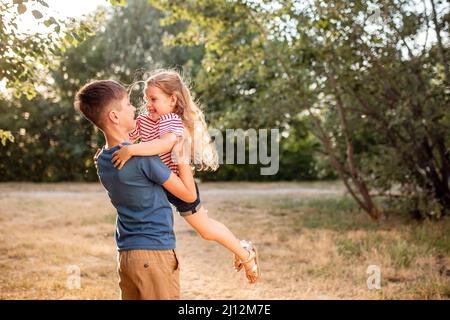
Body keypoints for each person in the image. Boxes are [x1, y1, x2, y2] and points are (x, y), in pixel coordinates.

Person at [110, 69, 260, 283]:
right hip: (160, 183)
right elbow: (123, 136)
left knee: (206, 230)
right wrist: (108, 149)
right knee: (201, 226)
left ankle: (245, 252)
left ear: (172, 100)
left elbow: (164, 143)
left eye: (154, 99)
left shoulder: (170, 120)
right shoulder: (144, 120)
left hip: (178, 181)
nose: (148, 104)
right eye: (146, 99)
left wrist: (132, 150)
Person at [74, 79, 197, 299]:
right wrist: (182, 158)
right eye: (129, 104)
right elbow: (189, 194)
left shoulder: (102, 160)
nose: (134, 108)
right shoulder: (142, 157)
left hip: (126, 256)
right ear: (114, 116)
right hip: (154, 253)